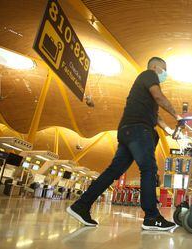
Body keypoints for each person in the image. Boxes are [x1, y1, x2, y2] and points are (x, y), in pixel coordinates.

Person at [67, 57, 179, 231]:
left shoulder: (143, 93)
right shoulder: (149, 74)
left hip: (128, 130)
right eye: (164, 70)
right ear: (156, 67)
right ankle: (151, 217)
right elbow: (159, 96)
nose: (165, 74)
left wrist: (170, 131)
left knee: (113, 171)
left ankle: (81, 206)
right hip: (138, 131)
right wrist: (178, 117)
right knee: (148, 170)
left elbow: (156, 116)